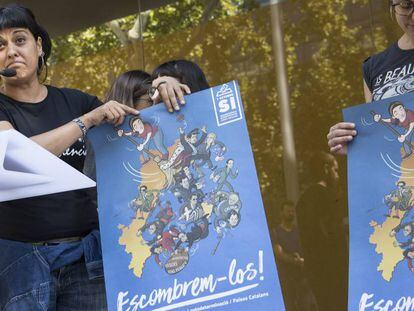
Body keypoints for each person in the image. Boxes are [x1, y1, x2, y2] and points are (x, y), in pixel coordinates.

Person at [0, 5, 189, 310]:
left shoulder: (76, 100)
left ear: (39, 45)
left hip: (86, 260)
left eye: (19, 40)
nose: (11, 51)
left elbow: (129, 115)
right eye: (0, 45)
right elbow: (16, 157)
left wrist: (161, 86)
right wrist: (84, 122)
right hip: (22, 264)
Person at [327, 0, 414, 154]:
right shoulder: (374, 66)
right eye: (406, 5)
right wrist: (355, 143)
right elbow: (379, 135)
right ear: (392, 6)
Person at [296, 151, 348, 311]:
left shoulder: (302, 201)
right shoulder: (328, 197)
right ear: (326, 169)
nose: (337, 175)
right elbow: (331, 231)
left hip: (316, 271)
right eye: (336, 170)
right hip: (335, 269)